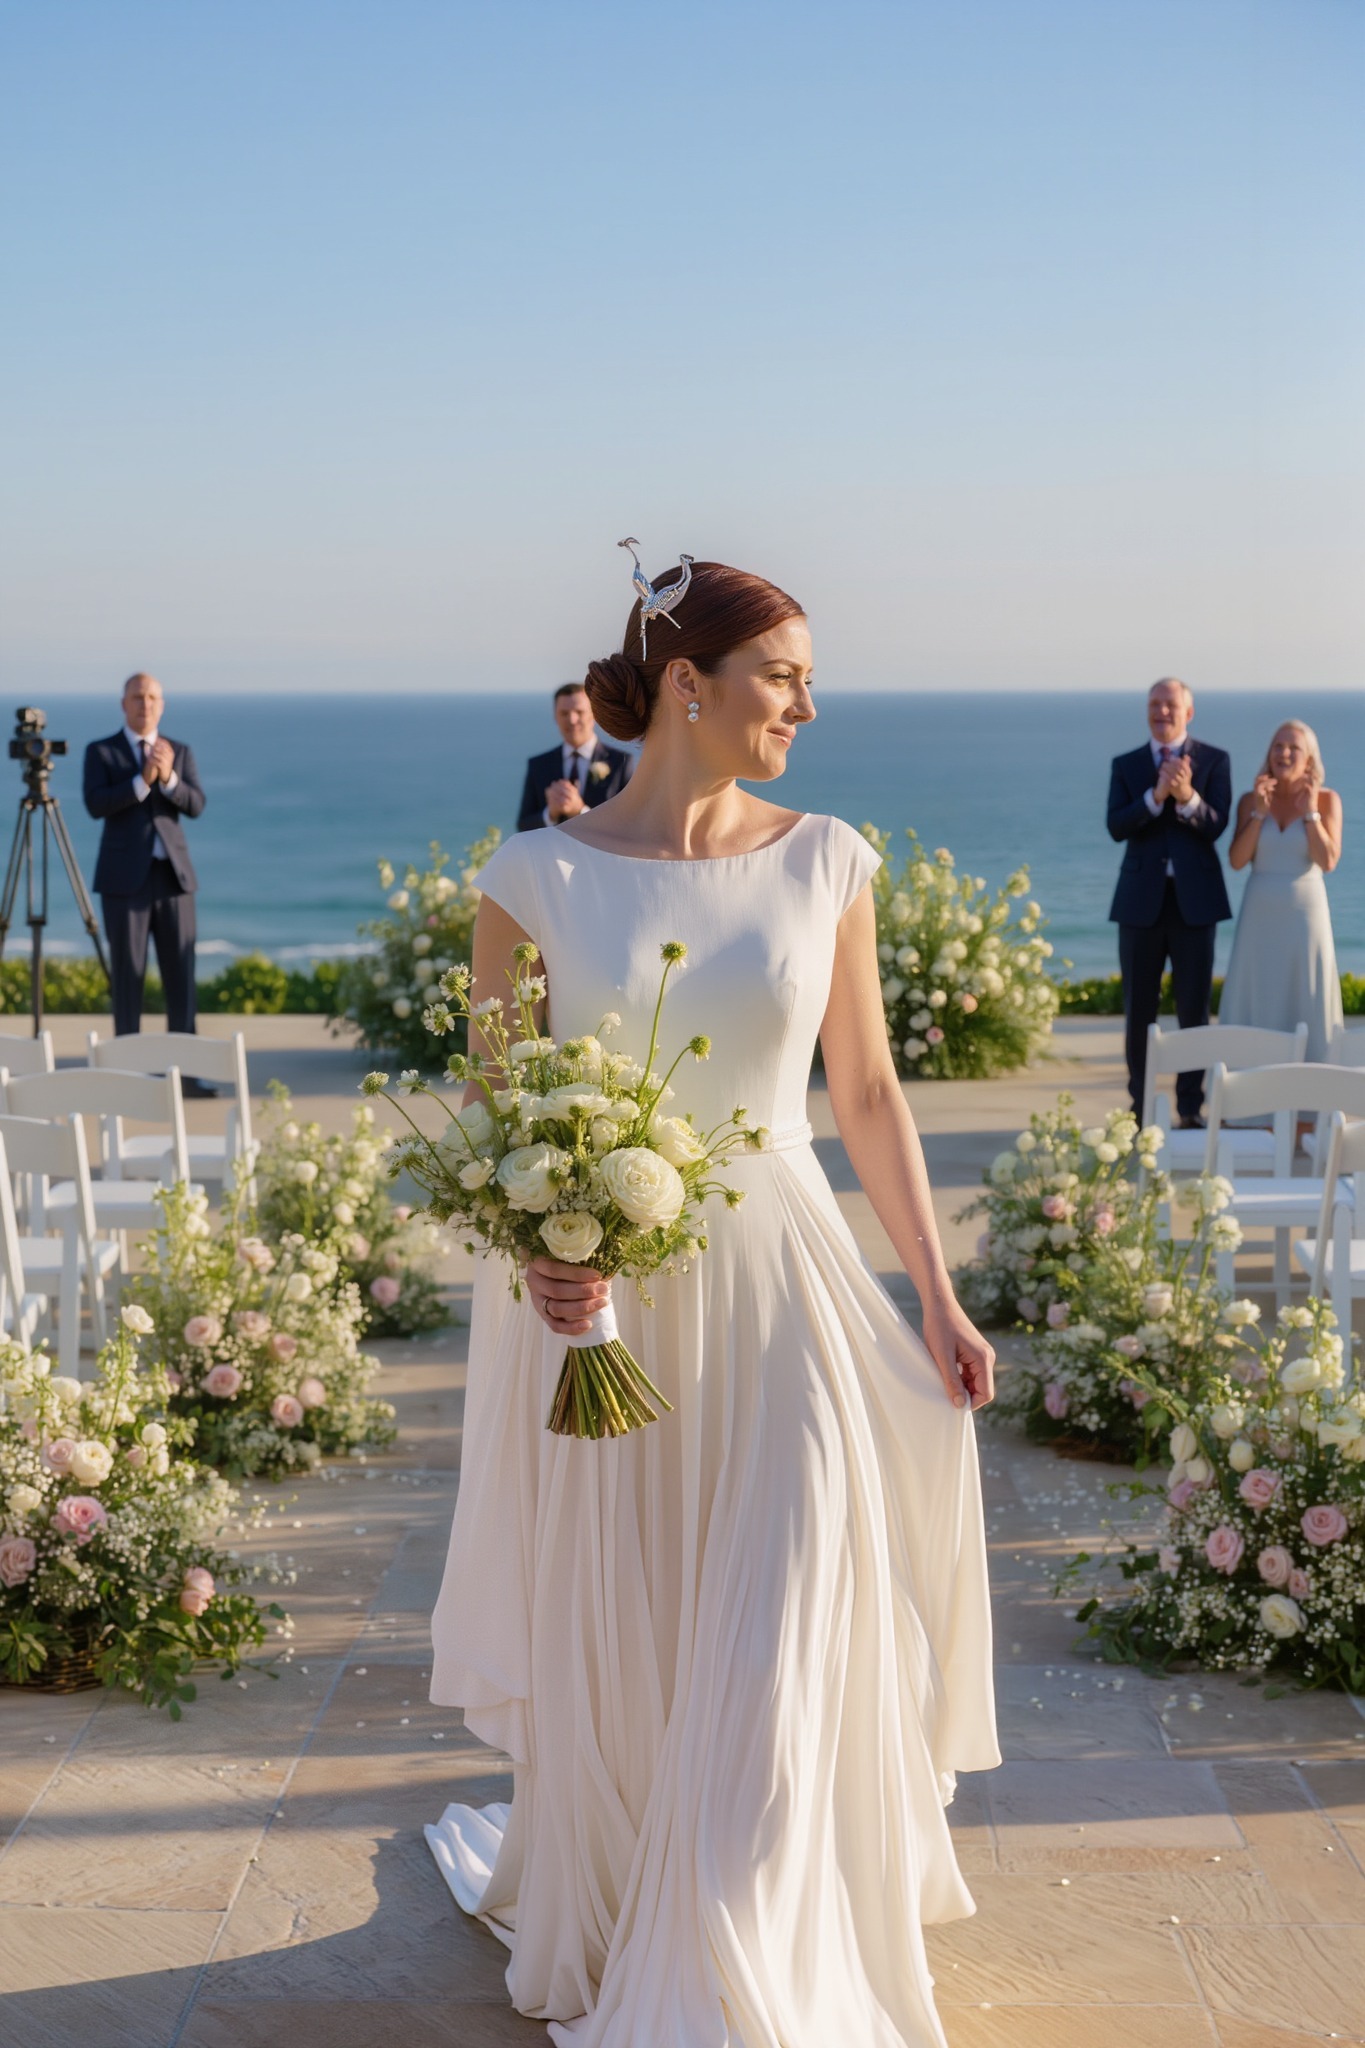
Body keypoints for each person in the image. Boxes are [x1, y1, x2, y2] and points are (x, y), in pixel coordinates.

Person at [425, 555, 1000, 2047]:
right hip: (617, 1315)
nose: (809, 703)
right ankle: (643, 1897)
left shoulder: (829, 860)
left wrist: (935, 1296)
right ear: (690, 684)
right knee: (647, 1633)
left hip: (791, 1293)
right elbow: (497, 1116)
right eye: (784, 676)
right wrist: (546, 1248)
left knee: (789, 1610)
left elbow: (864, 1092)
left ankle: (749, 1939)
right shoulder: (530, 878)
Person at [1107, 677, 1232, 1127]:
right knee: (1138, 1009)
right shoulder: (1127, 764)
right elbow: (1116, 826)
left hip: (1195, 906)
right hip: (1139, 907)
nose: (1162, 711)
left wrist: (1186, 798)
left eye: (1170, 704)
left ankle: (1189, 1108)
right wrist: (1155, 796)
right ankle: (1139, 1108)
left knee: (1193, 1010)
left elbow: (1217, 825)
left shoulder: (1215, 760)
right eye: (1154, 704)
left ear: (1188, 712)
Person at [83, 672, 207, 1059]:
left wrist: (168, 778)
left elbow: (196, 804)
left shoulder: (179, 751)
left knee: (181, 978)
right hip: (123, 883)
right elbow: (96, 805)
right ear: (124, 703)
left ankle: (185, 1070)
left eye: (153, 697)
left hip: (173, 879)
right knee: (127, 977)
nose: (145, 704)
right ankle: (126, 1067)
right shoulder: (102, 752)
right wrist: (142, 780)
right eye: (138, 697)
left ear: (162, 704)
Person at [1220, 719, 1344, 1061]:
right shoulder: (1249, 800)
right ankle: (1247, 1107)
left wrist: (1311, 814)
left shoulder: (1328, 800)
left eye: (1294, 748)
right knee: (1256, 992)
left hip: (1306, 916)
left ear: (1309, 760)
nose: (1284, 753)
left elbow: (1328, 860)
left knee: (1307, 995)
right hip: (1259, 916)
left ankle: (1309, 1105)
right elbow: (1237, 860)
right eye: (1278, 746)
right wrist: (1259, 814)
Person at [516, 681, 632, 831]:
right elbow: (523, 826)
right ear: (555, 717)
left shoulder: (621, 763)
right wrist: (550, 814)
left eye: (579, 712)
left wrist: (580, 811)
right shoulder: (538, 765)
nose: (571, 720)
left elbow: (630, 825)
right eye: (564, 713)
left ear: (594, 715)